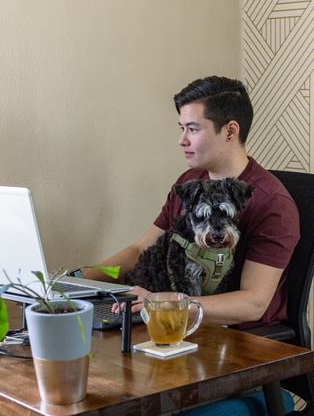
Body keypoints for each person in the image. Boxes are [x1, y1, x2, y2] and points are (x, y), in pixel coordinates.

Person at [84, 76, 299, 329]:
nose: (182, 140)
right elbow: (139, 251)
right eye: (181, 128)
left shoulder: (272, 204)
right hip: (177, 321)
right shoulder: (190, 182)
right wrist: (78, 280)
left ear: (230, 131)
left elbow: (253, 303)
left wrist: (162, 302)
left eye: (193, 129)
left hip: (241, 340)